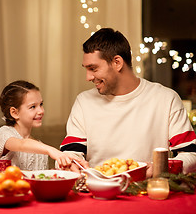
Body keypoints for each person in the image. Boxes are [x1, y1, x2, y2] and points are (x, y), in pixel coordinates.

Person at [60, 28, 196, 176]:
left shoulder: (166, 99)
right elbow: (71, 152)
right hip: (98, 193)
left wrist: (159, 167)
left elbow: (191, 155)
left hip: (148, 192)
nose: (88, 77)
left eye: (93, 68)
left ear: (117, 62)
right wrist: (70, 163)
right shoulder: (84, 102)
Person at [0, 80, 78, 170]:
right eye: (32, 107)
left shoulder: (40, 147)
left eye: (41, 104)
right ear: (15, 113)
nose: (41, 111)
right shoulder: (4, 133)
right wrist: (51, 150)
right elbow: (22, 144)